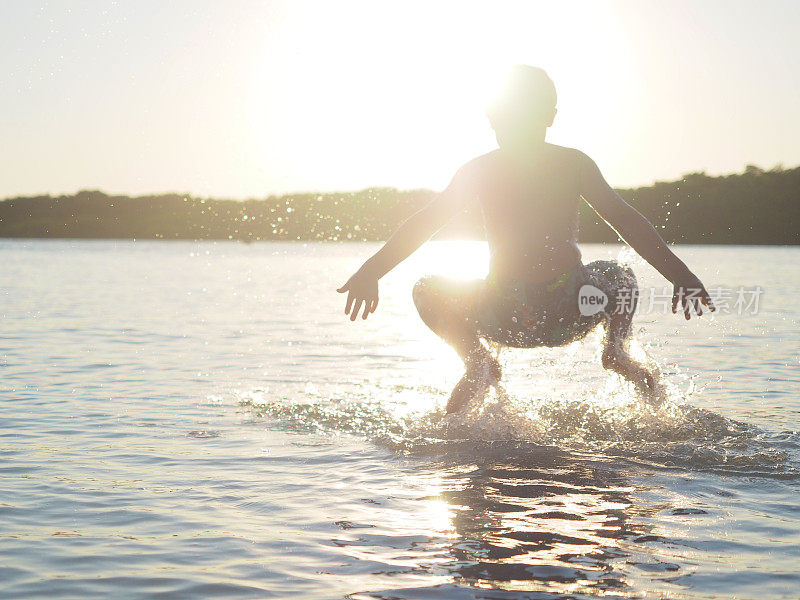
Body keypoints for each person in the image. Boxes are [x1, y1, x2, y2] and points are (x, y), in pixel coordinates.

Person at [337, 65, 715, 413]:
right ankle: (616, 352)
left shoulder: (482, 169)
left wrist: (372, 271)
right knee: (620, 276)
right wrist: (679, 274)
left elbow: (425, 223)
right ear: (550, 117)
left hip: (502, 310)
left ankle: (477, 362)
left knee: (426, 288)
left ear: (493, 118)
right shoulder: (572, 163)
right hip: (572, 306)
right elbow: (625, 221)